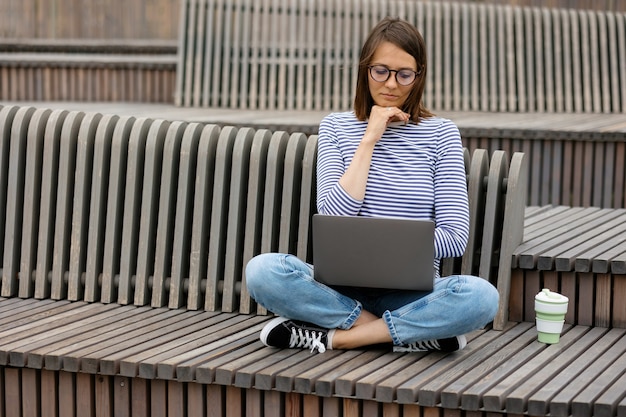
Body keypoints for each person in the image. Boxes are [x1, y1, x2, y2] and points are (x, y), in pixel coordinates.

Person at [245, 16, 499, 354]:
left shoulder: (441, 134)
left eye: (404, 74)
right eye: (381, 71)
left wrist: (392, 253)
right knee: (262, 271)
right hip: (337, 290)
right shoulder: (336, 128)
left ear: (418, 76)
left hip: (412, 295)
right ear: (365, 70)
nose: (391, 84)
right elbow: (335, 214)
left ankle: (337, 337)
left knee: (481, 297)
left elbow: (454, 237)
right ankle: (403, 333)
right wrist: (369, 139)